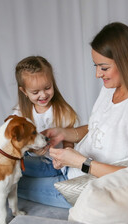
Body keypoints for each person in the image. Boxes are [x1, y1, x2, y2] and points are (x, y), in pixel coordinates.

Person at [21, 22, 128, 208]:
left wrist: (81, 162)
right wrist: (65, 133)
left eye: (104, 68)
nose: (97, 74)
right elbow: (96, 127)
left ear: (126, 63)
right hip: (67, 166)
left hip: (77, 187)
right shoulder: (110, 88)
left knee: (6, 183)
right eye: (96, 66)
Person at [13, 56, 79, 207]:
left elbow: (70, 142)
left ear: (53, 83)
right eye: (35, 92)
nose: (43, 95)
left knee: (10, 173)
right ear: (24, 91)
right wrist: (31, 149)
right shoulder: (20, 112)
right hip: (32, 160)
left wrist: (63, 158)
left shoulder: (63, 112)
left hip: (53, 165)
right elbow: (18, 144)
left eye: (47, 88)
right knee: (5, 160)